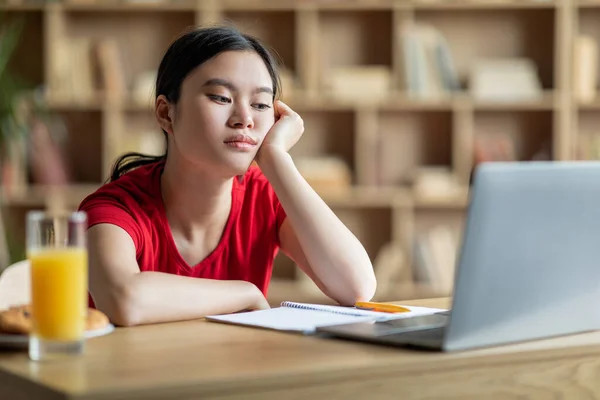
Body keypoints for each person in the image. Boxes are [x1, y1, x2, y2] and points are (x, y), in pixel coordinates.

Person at [78, 25, 376, 327]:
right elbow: (124, 300)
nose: (245, 119)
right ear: (166, 114)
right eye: (221, 97)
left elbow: (356, 288)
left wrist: (275, 158)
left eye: (260, 104)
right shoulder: (112, 209)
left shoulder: (264, 197)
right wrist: (244, 293)